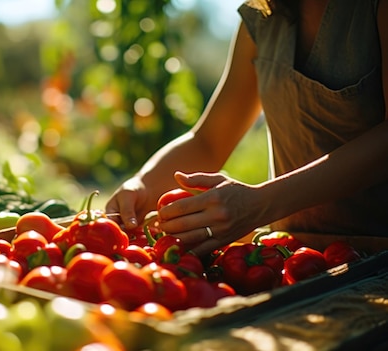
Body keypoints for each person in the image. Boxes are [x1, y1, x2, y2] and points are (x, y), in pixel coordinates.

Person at [105, 0, 388, 257]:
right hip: (295, 255)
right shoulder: (263, 14)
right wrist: (143, 183)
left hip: (377, 254)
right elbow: (209, 142)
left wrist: (260, 203)